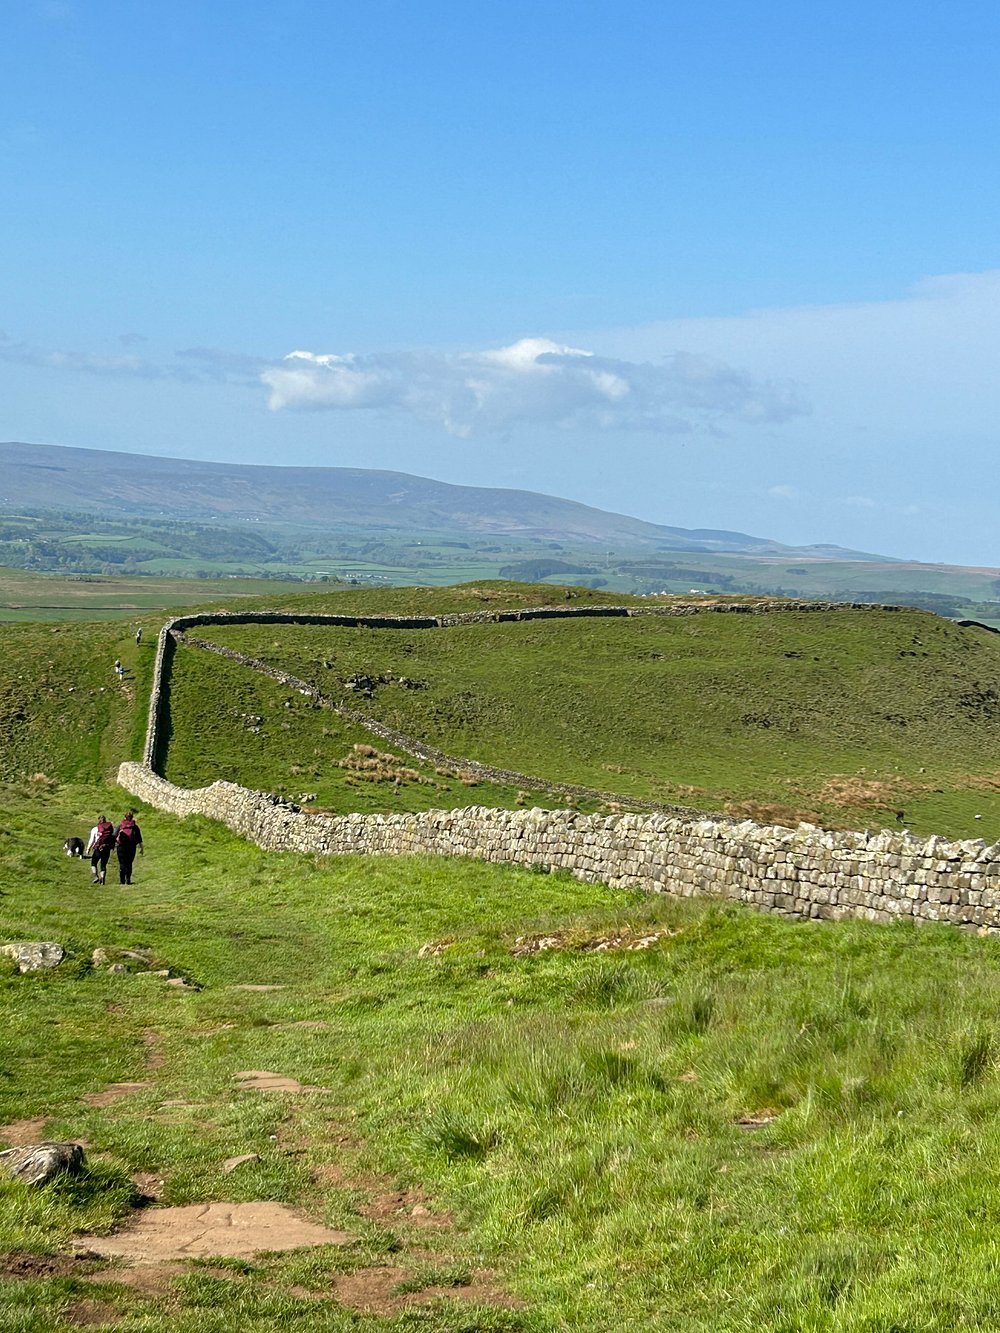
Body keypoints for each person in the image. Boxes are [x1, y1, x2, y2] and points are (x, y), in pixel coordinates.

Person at [114, 810, 144, 885]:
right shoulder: (135, 827)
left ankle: (122, 881)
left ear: (125, 817)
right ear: (132, 817)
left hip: (121, 847)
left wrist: (113, 845)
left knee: (122, 863)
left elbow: (114, 835)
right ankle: (128, 879)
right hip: (131, 847)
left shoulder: (121, 825)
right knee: (129, 863)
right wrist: (141, 848)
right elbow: (139, 838)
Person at [85, 815, 115, 885]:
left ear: (98, 821)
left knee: (93, 863)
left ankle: (95, 876)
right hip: (106, 848)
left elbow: (92, 840)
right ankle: (102, 878)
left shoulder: (95, 829)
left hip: (98, 848)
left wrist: (88, 849)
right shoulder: (109, 828)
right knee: (103, 865)